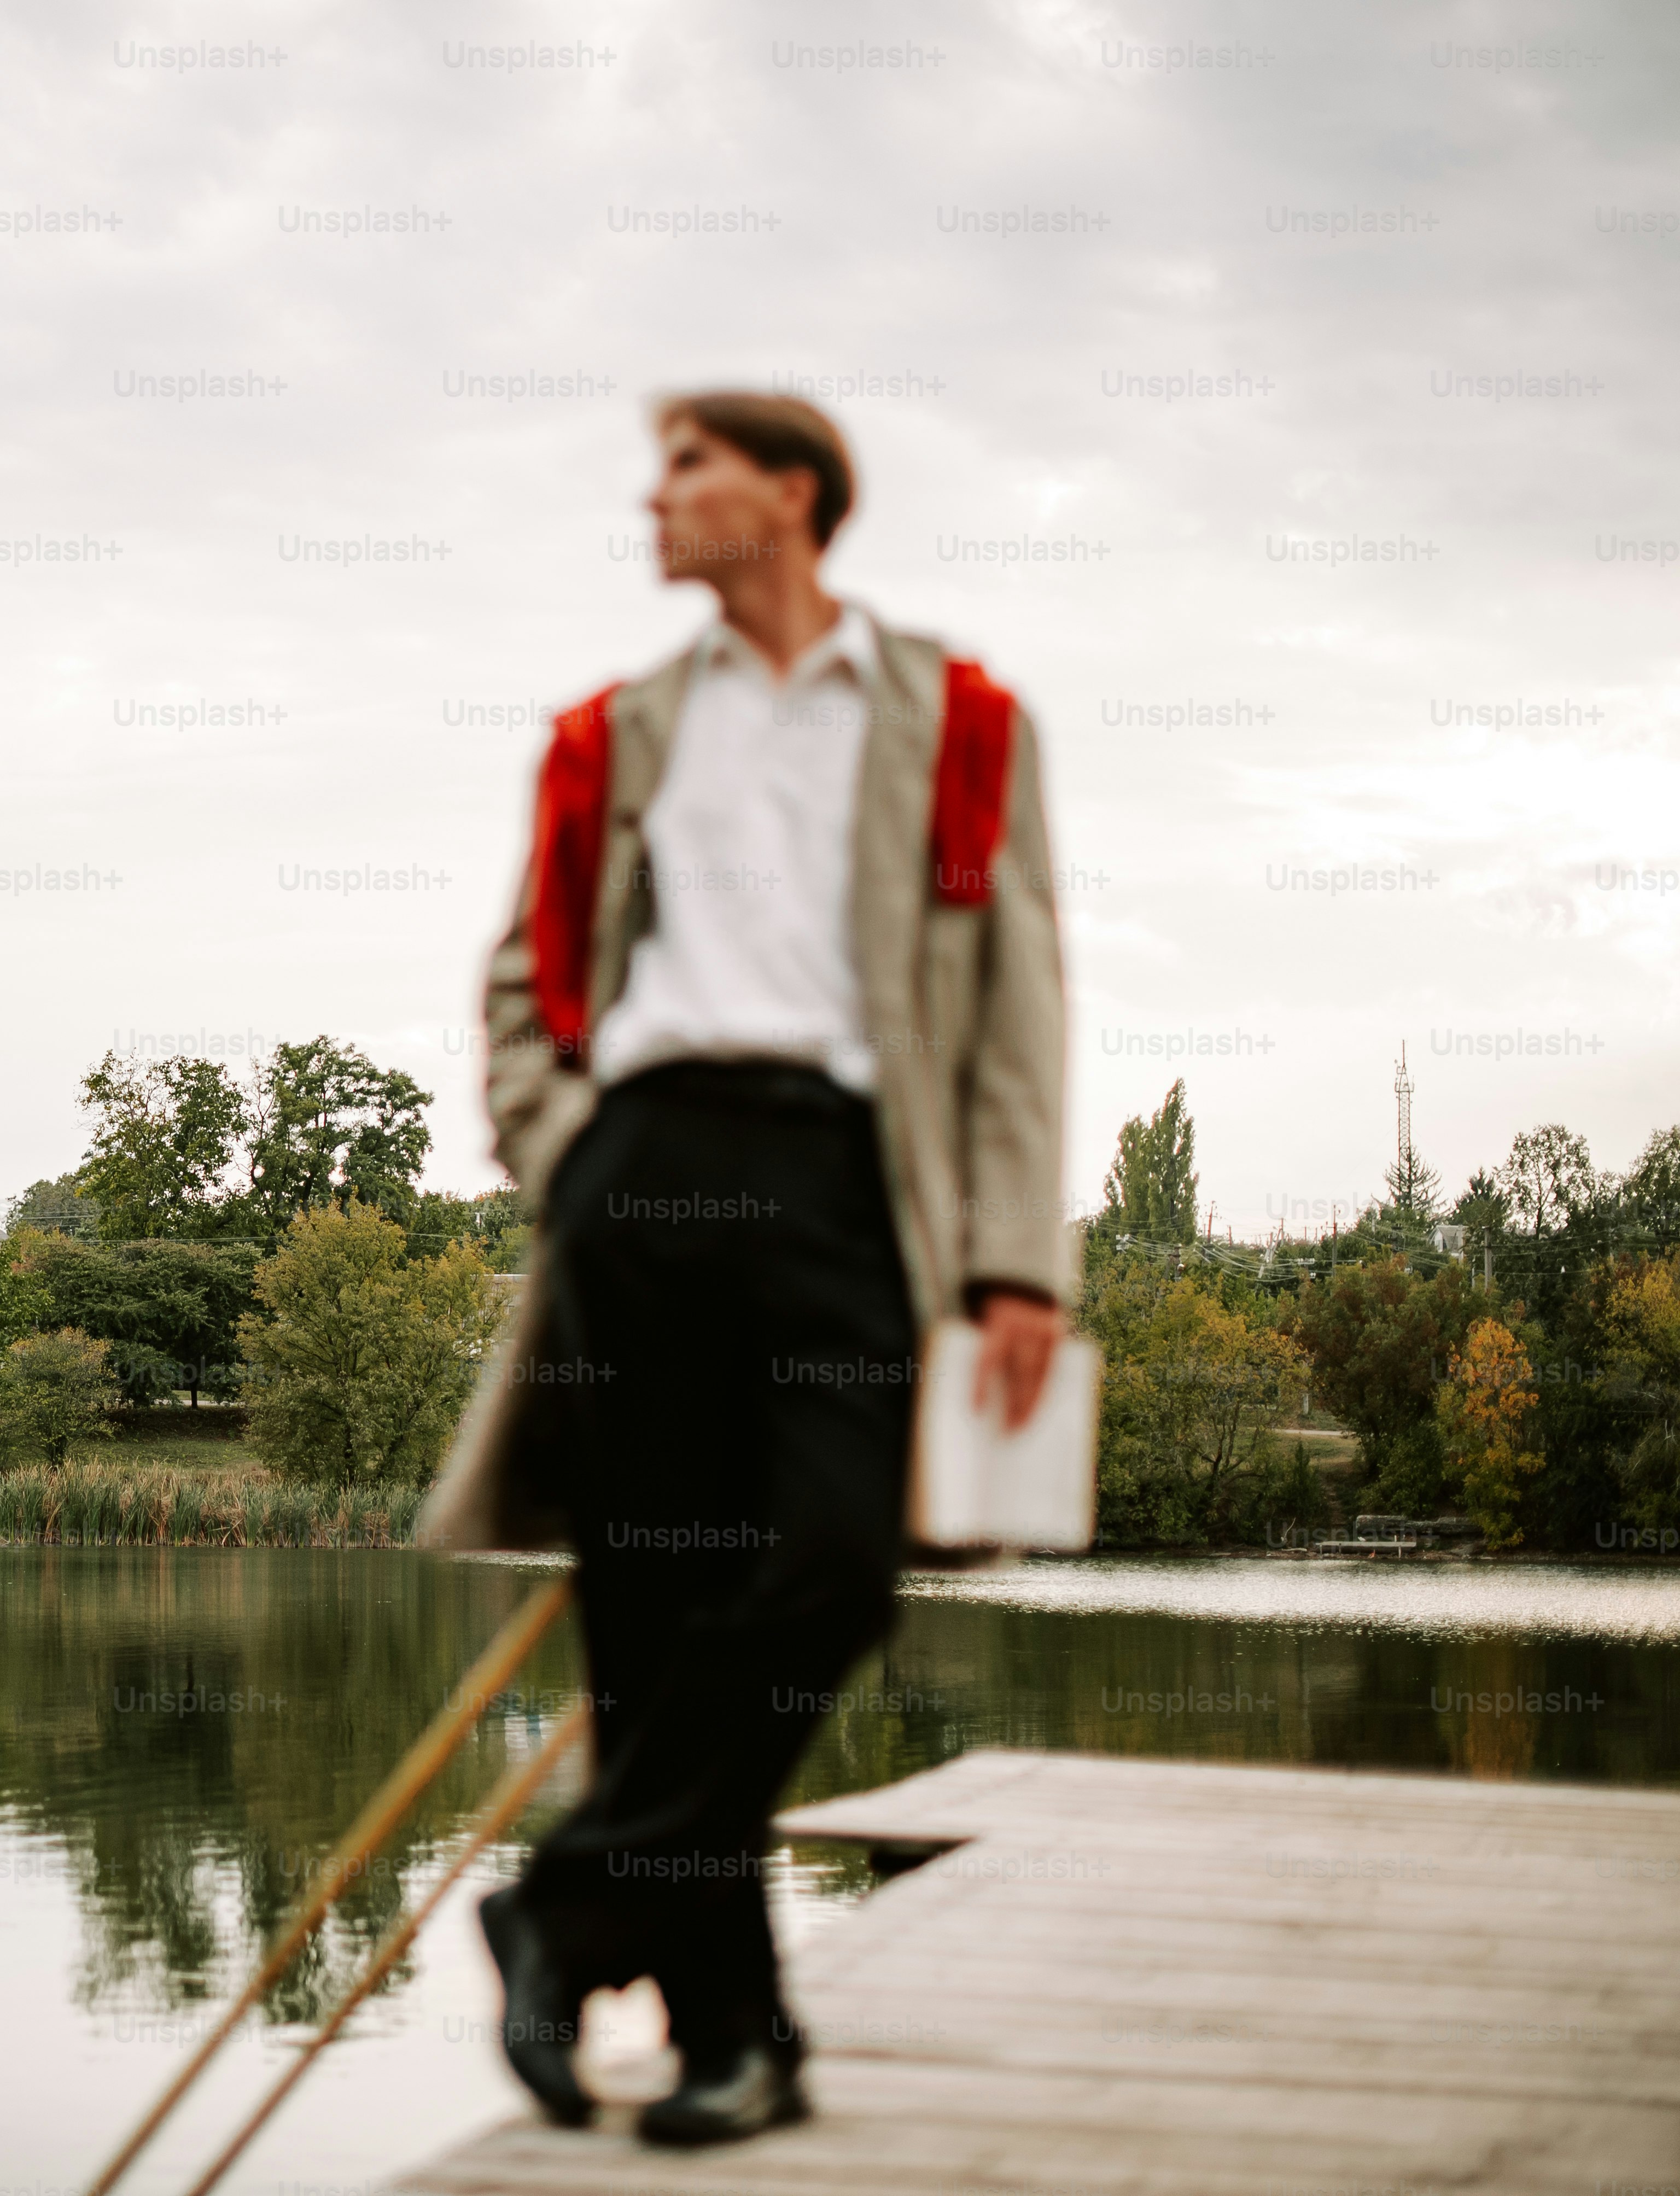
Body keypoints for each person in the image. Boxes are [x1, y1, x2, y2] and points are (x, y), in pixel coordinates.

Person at [416, 392, 1071, 2145]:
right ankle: (738, 2042)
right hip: (640, 1175)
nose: (656, 497)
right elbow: (521, 976)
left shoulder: (957, 718)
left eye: (688, 467)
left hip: (850, 1183)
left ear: (794, 494)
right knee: (650, 1616)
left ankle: (567, 1899)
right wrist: (565, 1155)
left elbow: (1018, 1005)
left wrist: (1018, 1257)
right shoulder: (619, 730)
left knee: (834, 1566)